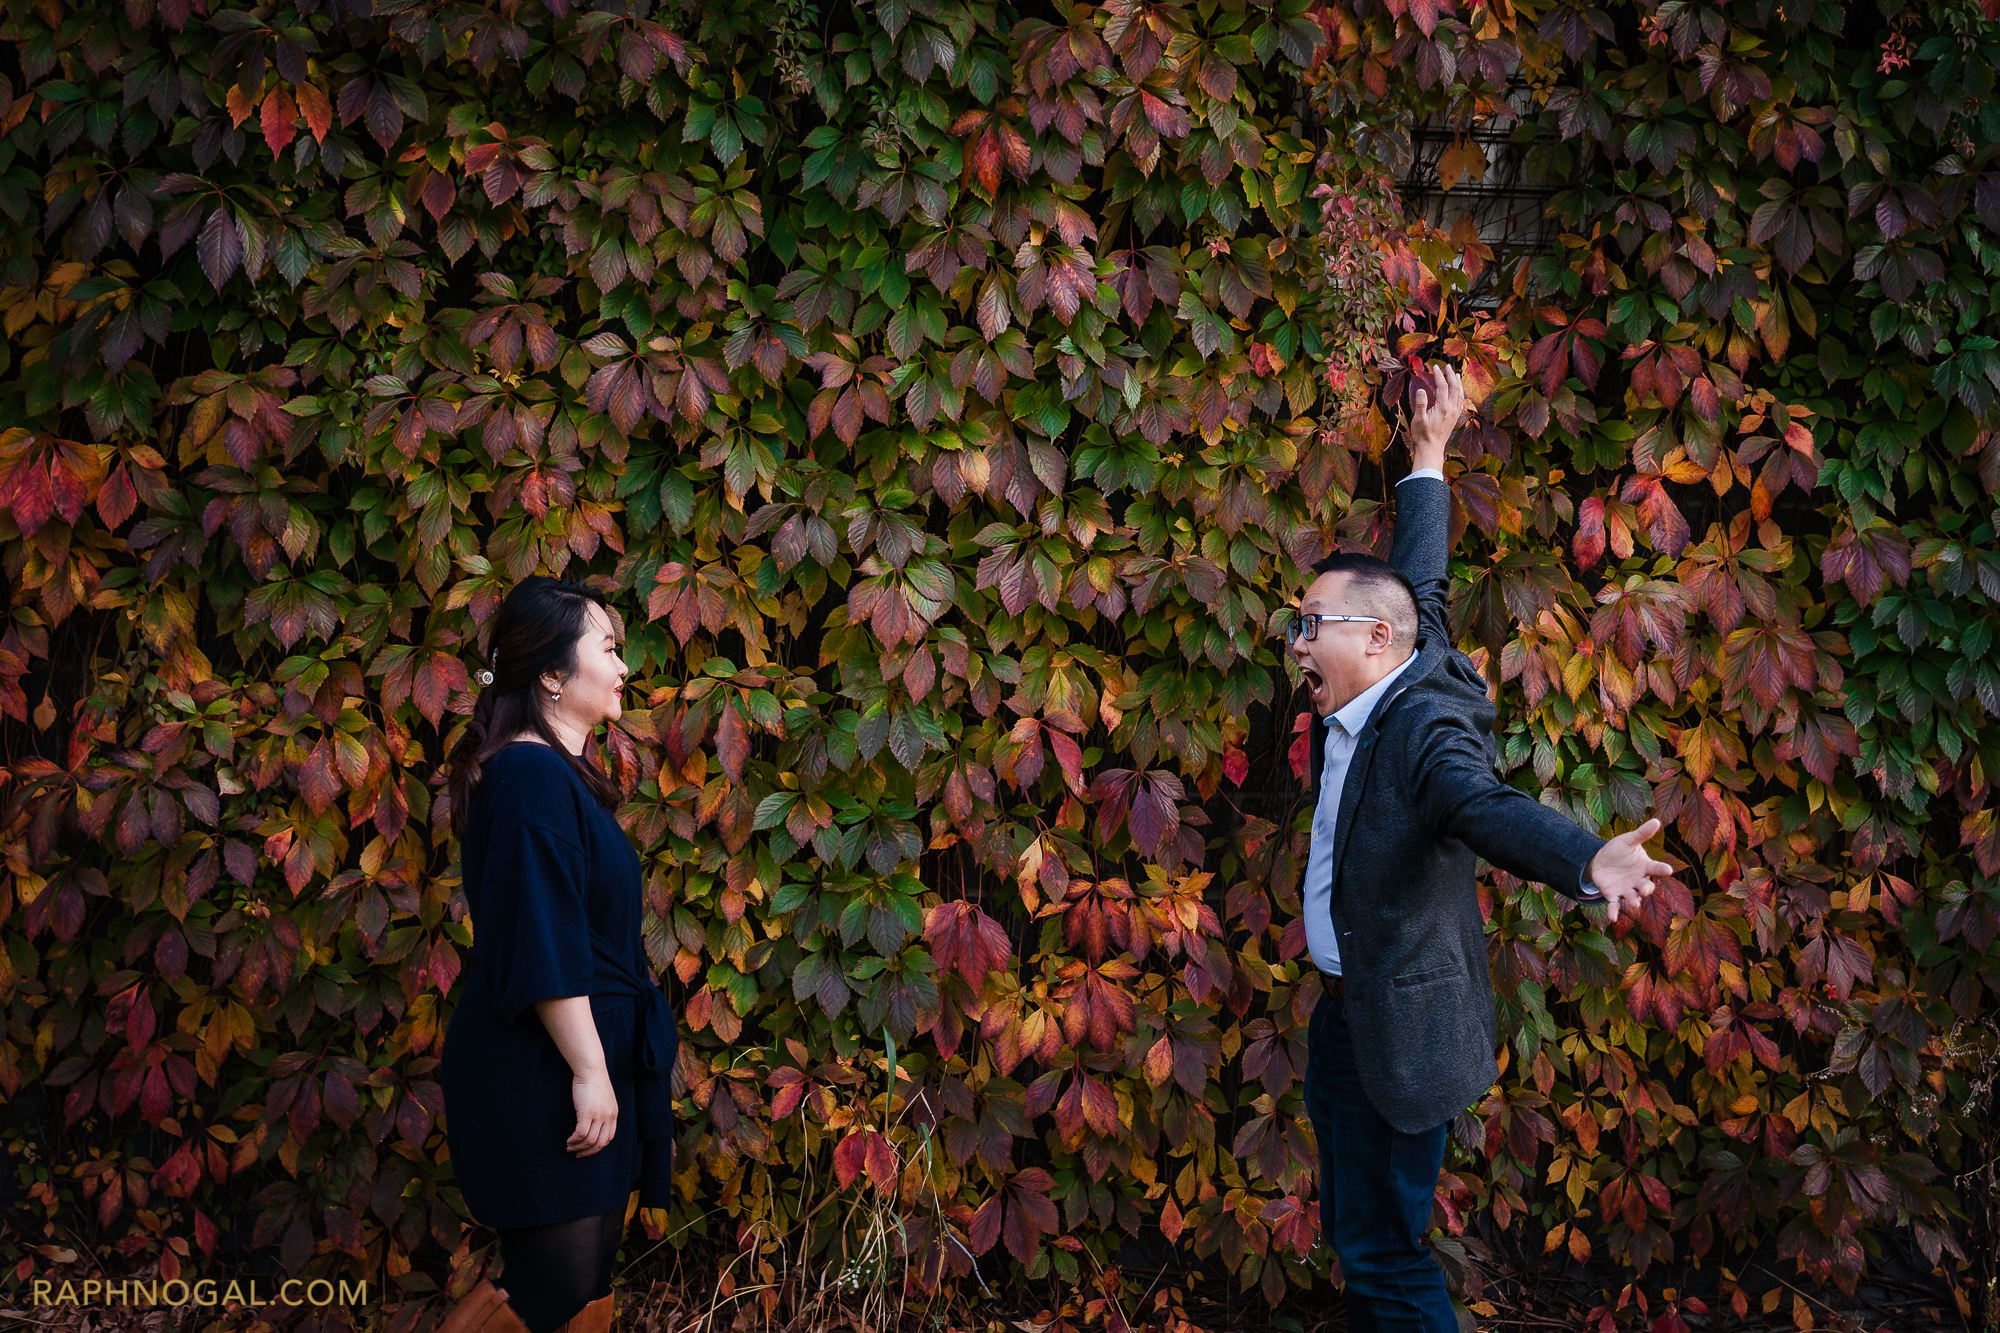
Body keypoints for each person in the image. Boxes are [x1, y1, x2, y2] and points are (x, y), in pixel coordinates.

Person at [1288, 363, 1672, 1331]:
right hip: (1344, 1020)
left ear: (1373, 641)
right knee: (1356, 1237)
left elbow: (1479, 803)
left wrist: (1585, 859)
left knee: (1386, 1258)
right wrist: (1426, 456)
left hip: (1395, 1037)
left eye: (1308, 626)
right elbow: (1420, 578)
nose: (1294, 645)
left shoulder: (1422, 728)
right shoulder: (1408, 648)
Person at [436, 576, 679, 1333]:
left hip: (570, 1058)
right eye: (607, 648)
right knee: (554, 1284)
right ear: (550, 673)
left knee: (580, 1279)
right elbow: (543, 936)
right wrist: (590, 1069)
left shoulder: (554, 775)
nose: (623, 667)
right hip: (541, 1068)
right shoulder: (529, 776)